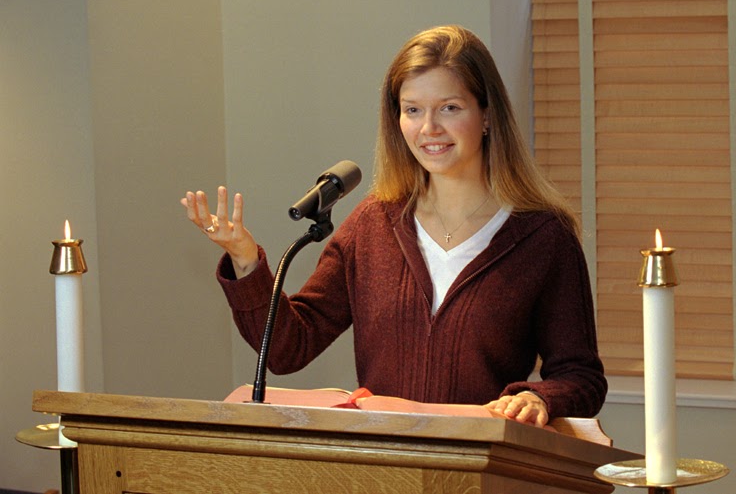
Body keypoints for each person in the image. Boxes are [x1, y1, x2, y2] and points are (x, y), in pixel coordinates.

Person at [182, 25, 605, 428]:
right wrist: (244, 260)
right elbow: (288, 348)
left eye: (450, 108)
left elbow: (581, 378)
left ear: (487, 115)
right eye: (413, 110)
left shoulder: (544, 238)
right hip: (384, 470)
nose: (429, 129)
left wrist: (540, 398)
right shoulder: (373, 224)